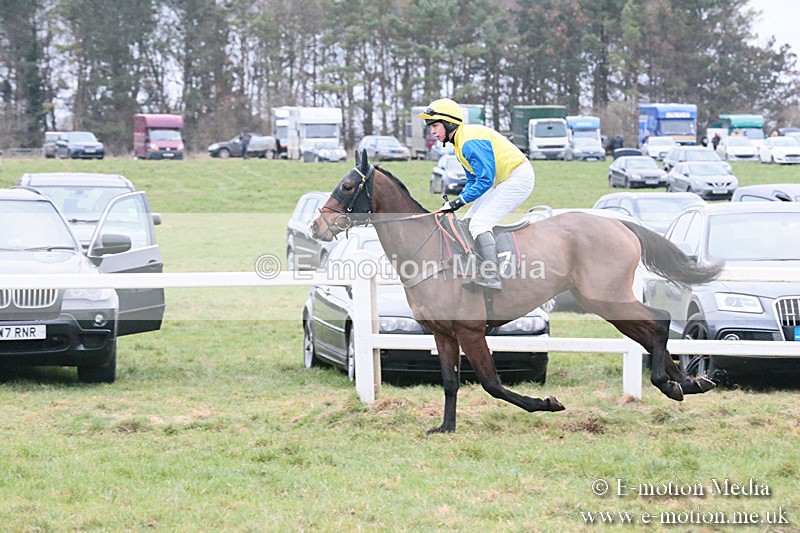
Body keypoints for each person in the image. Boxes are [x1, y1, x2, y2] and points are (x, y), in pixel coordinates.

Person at [418, 98, 535, 292]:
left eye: (435, 126)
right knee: (468, 221)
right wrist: (456, 204)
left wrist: (458, 202)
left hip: (518, 178)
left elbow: (485, 180)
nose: (432, 131)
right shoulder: (459, 143)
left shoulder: (469, 142)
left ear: (449, 123)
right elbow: (473, 181)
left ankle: (492, 277)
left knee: (480, 223)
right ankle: (477, 269)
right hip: (503, 180)